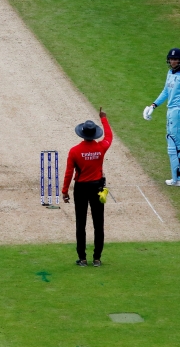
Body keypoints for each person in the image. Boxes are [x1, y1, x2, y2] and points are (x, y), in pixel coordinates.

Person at [61, 108, 113, 267]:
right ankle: (97, 258)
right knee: (99, 223)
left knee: (80, 223)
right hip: (97, 188)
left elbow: (69, 173)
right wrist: (104, 119)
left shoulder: (75, 151)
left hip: (81, 188)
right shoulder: (101, 147)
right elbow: (109, 136)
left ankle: (82, 258)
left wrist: (64, 191)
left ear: (82, 133)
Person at [143, 48, 180, 186]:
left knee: (173, 145)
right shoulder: (170, 73)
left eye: (176, 59)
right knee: (177, 145)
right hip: (171, 111)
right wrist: (153, 105)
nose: (173, 61)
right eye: (171, 59)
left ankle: (177, 179)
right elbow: (166, 91)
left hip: (179, 112)